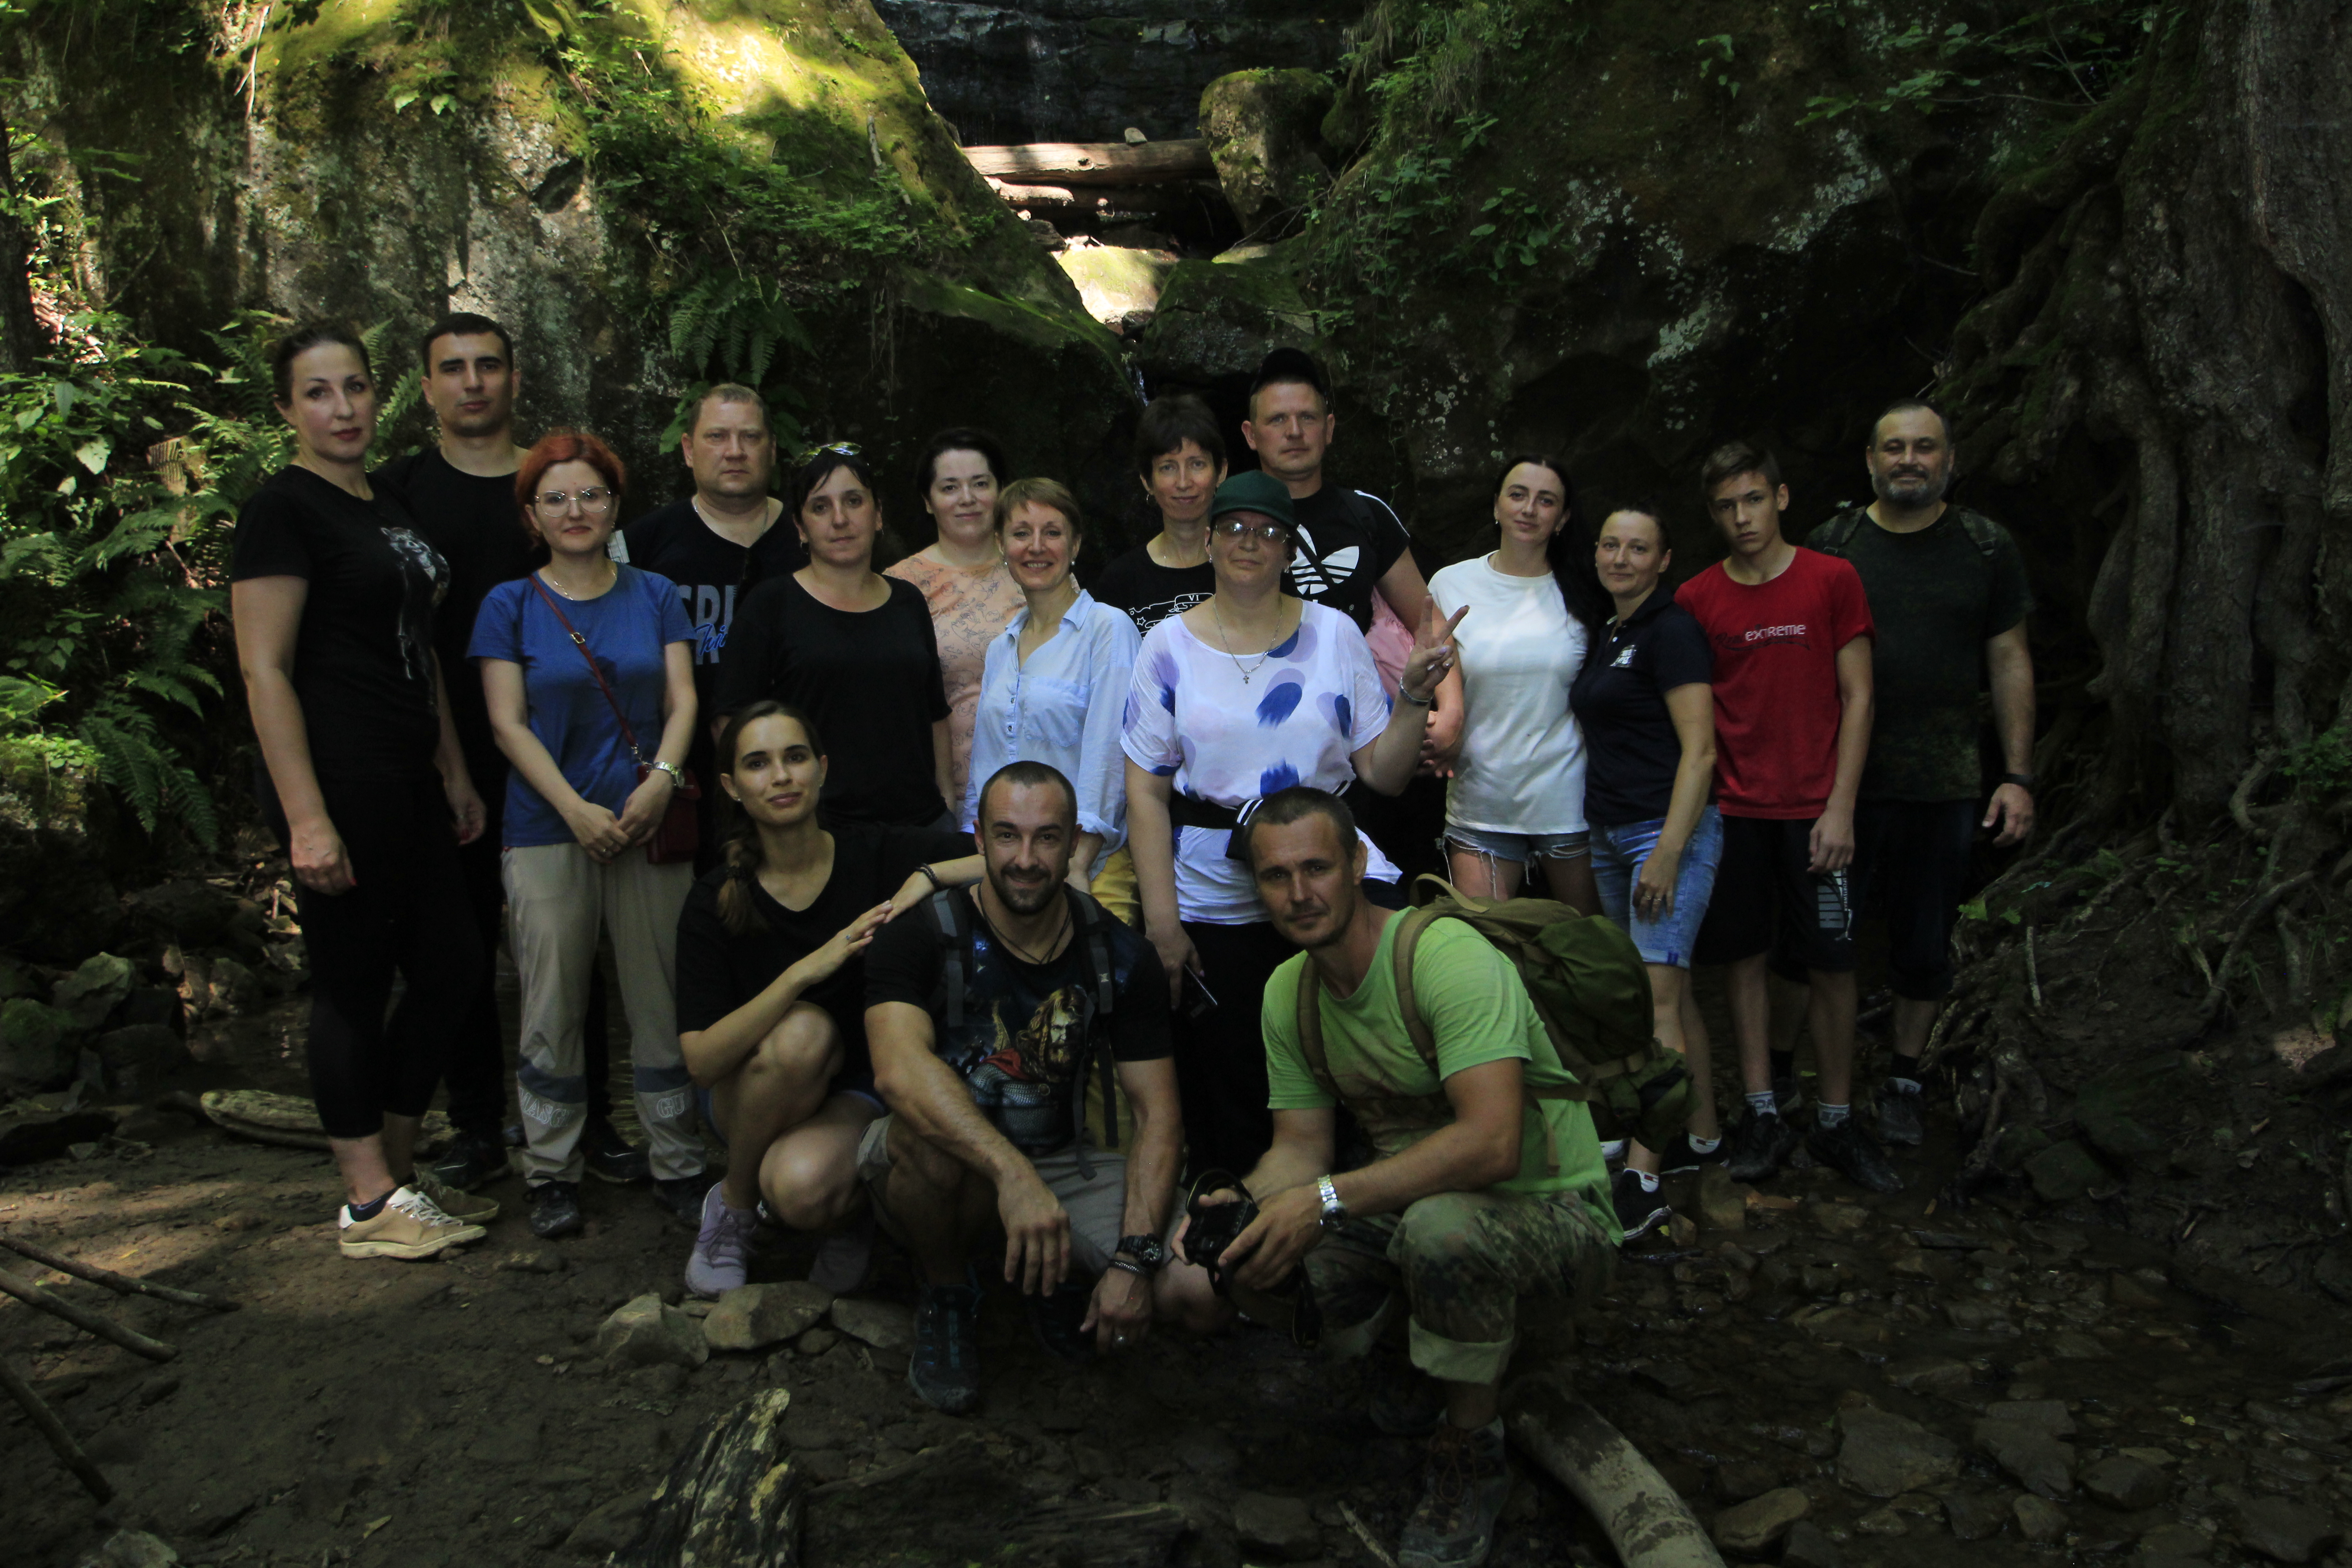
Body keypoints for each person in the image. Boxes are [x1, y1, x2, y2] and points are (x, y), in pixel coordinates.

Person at [1157, 787, 1618, 1568]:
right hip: (1416, 1210)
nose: (1299, 894)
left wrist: (1326, 1199)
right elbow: (1299, 1151)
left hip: (1552, 1213)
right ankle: (1409, 1356)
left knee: (1442, 1231)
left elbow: (1491, 1143)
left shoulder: (1443, 957)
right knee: (1225, 1268)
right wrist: (1241, 1206)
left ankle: (1469, 1455)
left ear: (1356, 864)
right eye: (1276, 878)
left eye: (1315, 868)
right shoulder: (1289, 994)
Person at [229, 322, 492, 1260]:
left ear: (379, 395)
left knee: (456, 964)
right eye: (317, 393)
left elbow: (418, 648)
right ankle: (370, 1203)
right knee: (350, 983)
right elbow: (265, 670)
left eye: (354, 389)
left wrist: (454, 770)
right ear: (286, 409)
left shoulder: (383, 499)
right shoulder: (283, 510)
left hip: (410, 774)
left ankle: (396, 1166)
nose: (341, 409)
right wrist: (305, 817)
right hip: (336, 777)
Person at [1123, 470, 1464, 1177]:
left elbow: (1383, 774)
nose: (1251, 543)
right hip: (1215, 883)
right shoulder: (1165, 648)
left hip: (1330, 867)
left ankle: (1371, 1197)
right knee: (1237, 1069)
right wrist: (1163, 922)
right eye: (1236, 529)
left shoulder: (1335, 633)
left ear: (1289, 549)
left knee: (1368, 1042)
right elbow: (1146, 793)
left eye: (1269, 532)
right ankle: (1247, 1223)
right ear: (1210, 542)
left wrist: (1413, 697)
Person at [379, 313, 646, 1195]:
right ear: (426, 389)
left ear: (516, 378)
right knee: (459, 947)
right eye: (452, 369)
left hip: (574, 758)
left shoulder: (561, 484)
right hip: (447, 750)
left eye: (488, 366)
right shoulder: (401, 493)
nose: (472, 383)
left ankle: (592, 1123)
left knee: (579, 947)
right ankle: (477, 1124)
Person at [863, 762, 1188, 1415]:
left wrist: (1133, 1260)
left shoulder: (1118, 953)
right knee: (928, 1149)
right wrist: (1013, 1175)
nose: (1026, 859)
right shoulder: (923, 933)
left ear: (1074, 845)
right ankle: (949, 1292)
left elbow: (1159, 1116)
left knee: (1194, 1285)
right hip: (946, 1152)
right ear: (978, 840)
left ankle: (1060, 1273)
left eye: (1047, 838)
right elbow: (898, 1072)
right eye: (1007, 836)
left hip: (1063, 1160)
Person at [470, 432, 706, 1238]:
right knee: (552, 1004)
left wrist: (661, 784)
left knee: (660, 999)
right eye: (556, 499)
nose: (576, 511)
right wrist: (574, 809)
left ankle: (676, 1160)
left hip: (647, 823)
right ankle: (550, 1170)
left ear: (614, 504)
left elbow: (682, 702)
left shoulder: (656, 594)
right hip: (547, 829)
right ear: (533, 514)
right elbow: (506, 723)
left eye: (591, 496)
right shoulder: (508, 605)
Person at [1786, 402, 2035, 1147]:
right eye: (1892, 447)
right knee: (1821, 938)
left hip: (1944, 784)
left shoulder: (1984, 548)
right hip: (1840, 791)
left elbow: (2008, 658)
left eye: (1923, 448)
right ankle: (1809, 1093)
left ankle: (1901, 1078)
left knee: (1923, 944)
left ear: (1948, 461)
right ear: (1867, 460)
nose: (1907, 460)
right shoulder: (1834, 545)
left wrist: (2017, 774)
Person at [674, 701, 981, 1298]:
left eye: (794, 758)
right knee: (801, 1035)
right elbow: (702, 1063)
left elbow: (1009, 853)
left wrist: (929, 877)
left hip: (853, 1094)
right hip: (753, 1091)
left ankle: (847, 1213)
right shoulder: (714, 900)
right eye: (759, 765)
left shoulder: (873, 851)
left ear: (821, 769)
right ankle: (734, 1207)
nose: (782, 777)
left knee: (799, 1189)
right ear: (734, 788)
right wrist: (803, 973)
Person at [1676, 442, 1891, 1192]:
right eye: (1726, 506)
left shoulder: (1831, 580)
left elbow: (1858, 696)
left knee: (1831, 963)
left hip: (1814, 811)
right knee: (1742, 961)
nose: (1742, 517)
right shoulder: (1697, 599)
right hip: (1732, 811)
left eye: (1753, 500)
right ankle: (1761, 1111)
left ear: (1780, 498)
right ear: (1712, 515)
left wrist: (1840, 806)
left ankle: (1835, 1118)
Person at [1568, 500, 1726, 1241]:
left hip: (1661, 834)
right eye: (1609, 546)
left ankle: (1641, 1173)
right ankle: (1700, 1137)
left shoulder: (1671, 632)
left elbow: (1699, 750)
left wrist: (1666, 849)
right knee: (1662, 988)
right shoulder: (1610, 632)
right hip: (1608, 830)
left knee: (1654, 1002)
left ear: (1664, 560)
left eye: (1637, 548)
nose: (1620, 559)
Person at [1243, 347, 1442, 877]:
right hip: (1261, 724)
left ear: (1329, 428)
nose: (1294, 431)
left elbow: (1431, 626)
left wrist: (1454, 713)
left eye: (1307, 418)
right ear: (1250, 434)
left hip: (1362, 730)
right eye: (1277, 420)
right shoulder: (1233, 522)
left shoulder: (1366, 514)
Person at [612, 383, 807, 865]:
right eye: (717, 437)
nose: (735, 452)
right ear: (687, 449)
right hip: (680, 786)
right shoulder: (639, 548)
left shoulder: (813, 536)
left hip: (798, 781)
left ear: (773, 449)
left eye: (750, 438)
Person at [716, 445, 955, 827]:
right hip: (815, 832)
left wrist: (946, 801)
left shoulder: (908, 601)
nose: (840, 519)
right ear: (800, 527)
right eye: (820, 507)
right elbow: (730, 722)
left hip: (919, 823)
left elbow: (933, 713)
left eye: (854, 501)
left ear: (878, 515)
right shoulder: (770, 605)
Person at [1424, 455, 1602, 911]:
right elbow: (1434, 673)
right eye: (1518, 495)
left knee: (1587, 952)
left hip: (1568, 801)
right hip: (1481, 799)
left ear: (1562, 519)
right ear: (1496, 506)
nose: (1529, 510)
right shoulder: (1451, 582)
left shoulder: (1586, 590)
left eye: (1546, 501)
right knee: (1489, 952)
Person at [960, 478, 1142, 892]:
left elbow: (1109, 758)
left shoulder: (1107, 629)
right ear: (1002, 546)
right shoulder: (1000, 648)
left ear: (1075, 545)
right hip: (1008, 871)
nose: (1036, 547)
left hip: (1089, 871)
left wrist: (1077, 863)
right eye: (1021, 533)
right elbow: (984, 769)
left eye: (1053, 533)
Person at [886, 428, 1024, 813]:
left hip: (1048, 781)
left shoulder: (1038, 563)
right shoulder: (900, 585)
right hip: (950, 793)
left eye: (981, 484)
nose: (968, 499)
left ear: (1002, 490)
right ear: (928, 502)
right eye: (949, 488)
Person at [1093, 394, 1226, 637]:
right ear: (1147, 481)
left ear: (1221, 472)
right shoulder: (1120, 582)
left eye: (1197, 464)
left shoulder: (1247, 567)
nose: (1184, 482)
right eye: (1168, 467)